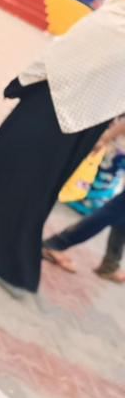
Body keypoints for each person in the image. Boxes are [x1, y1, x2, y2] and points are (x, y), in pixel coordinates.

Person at [0, 0, 125, 295]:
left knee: (22, 179)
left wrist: (23, 81)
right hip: (67, 119)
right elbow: (69, 61)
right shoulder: (111, 26)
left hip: (58, 116)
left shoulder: (108, 23)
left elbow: (63, 58)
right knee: (28, 184)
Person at [43, 118, 125, 283]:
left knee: (121, 211)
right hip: (118, 146)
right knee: (116, 210)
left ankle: (110, 264)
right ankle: (56, 244)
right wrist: (105, 138)